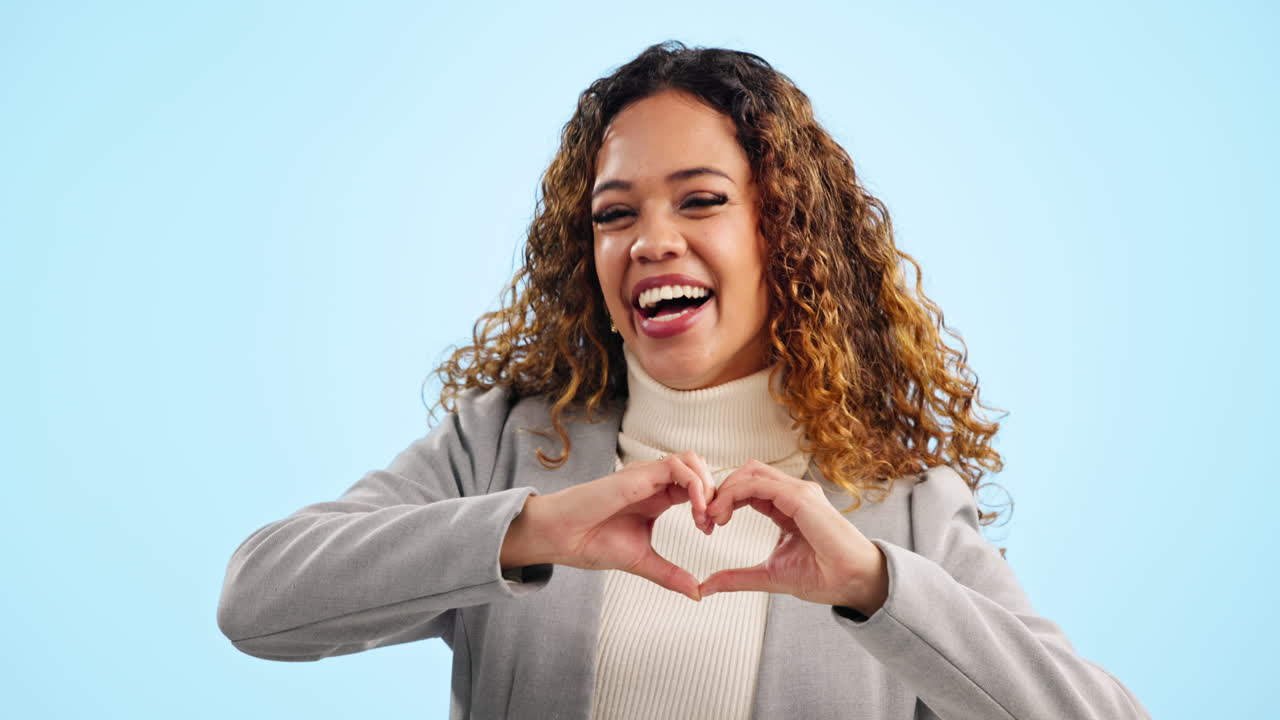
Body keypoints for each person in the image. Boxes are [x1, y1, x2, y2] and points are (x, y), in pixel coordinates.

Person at [217, 41, 1151, 719]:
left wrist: (872, 586)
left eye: (701, 200)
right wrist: (534, 530)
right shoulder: (507, 444)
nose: (650, 239)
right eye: (615, 213)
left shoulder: (901, 508)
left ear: (780, 231)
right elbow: (257, 601)